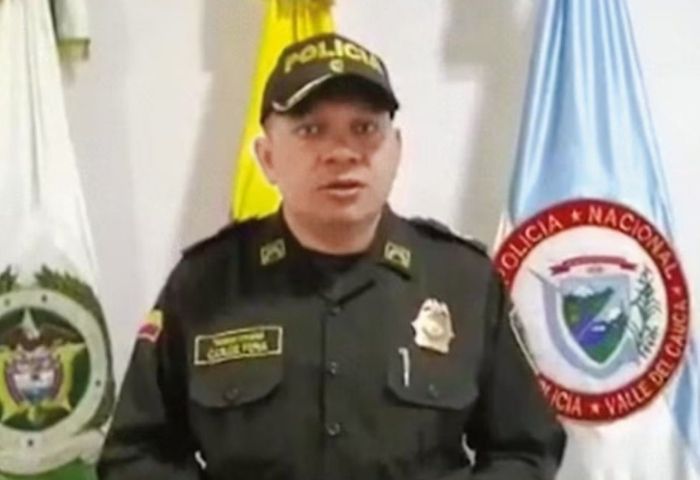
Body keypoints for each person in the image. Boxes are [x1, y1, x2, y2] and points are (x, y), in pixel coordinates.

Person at [97, 32, 565, 480]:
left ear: (396, 150)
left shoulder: (462, 281)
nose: (341, 153)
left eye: (364, 128)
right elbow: (135, 455)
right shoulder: (206, 283)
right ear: (267, 158)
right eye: (311, 129)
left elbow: (526, 449)